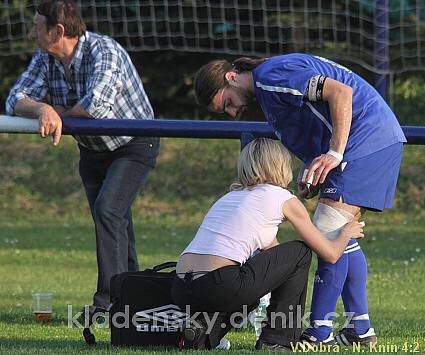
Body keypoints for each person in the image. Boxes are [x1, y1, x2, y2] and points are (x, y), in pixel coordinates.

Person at [193, 54, 406, 346]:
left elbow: (340, 93)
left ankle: (319, 333)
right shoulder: (268, 93)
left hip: (367, 138)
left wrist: (335, 153)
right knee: (342, 238)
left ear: (231, 78)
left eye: (227, 102)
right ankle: (360, 329)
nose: (232, 112)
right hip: (370, 138)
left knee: (326, 230)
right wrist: (314, 171)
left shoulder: (272, 76)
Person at [6, 0, 159, 314]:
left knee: (108, 212)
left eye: (37, 27)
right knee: (114, 221)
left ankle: (108, 304)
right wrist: (42, 109)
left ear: (58, 31)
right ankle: (134, 299)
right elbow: (15, 99)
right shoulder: (44, 58)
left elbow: (95, 107)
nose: (32, 32)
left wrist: (56, 114)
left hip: (134, 144)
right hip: (92, 149)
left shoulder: (105, 51)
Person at [172, 138, 364, 351]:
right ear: (281, 166)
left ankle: (203, 334)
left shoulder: (230, 197)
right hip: (220, 285)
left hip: (181, 287)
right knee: (301, 252)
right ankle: (276, 339)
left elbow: (275, 263)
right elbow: (331, 254)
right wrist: (346, 231)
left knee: (246, 281)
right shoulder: (283, 198)